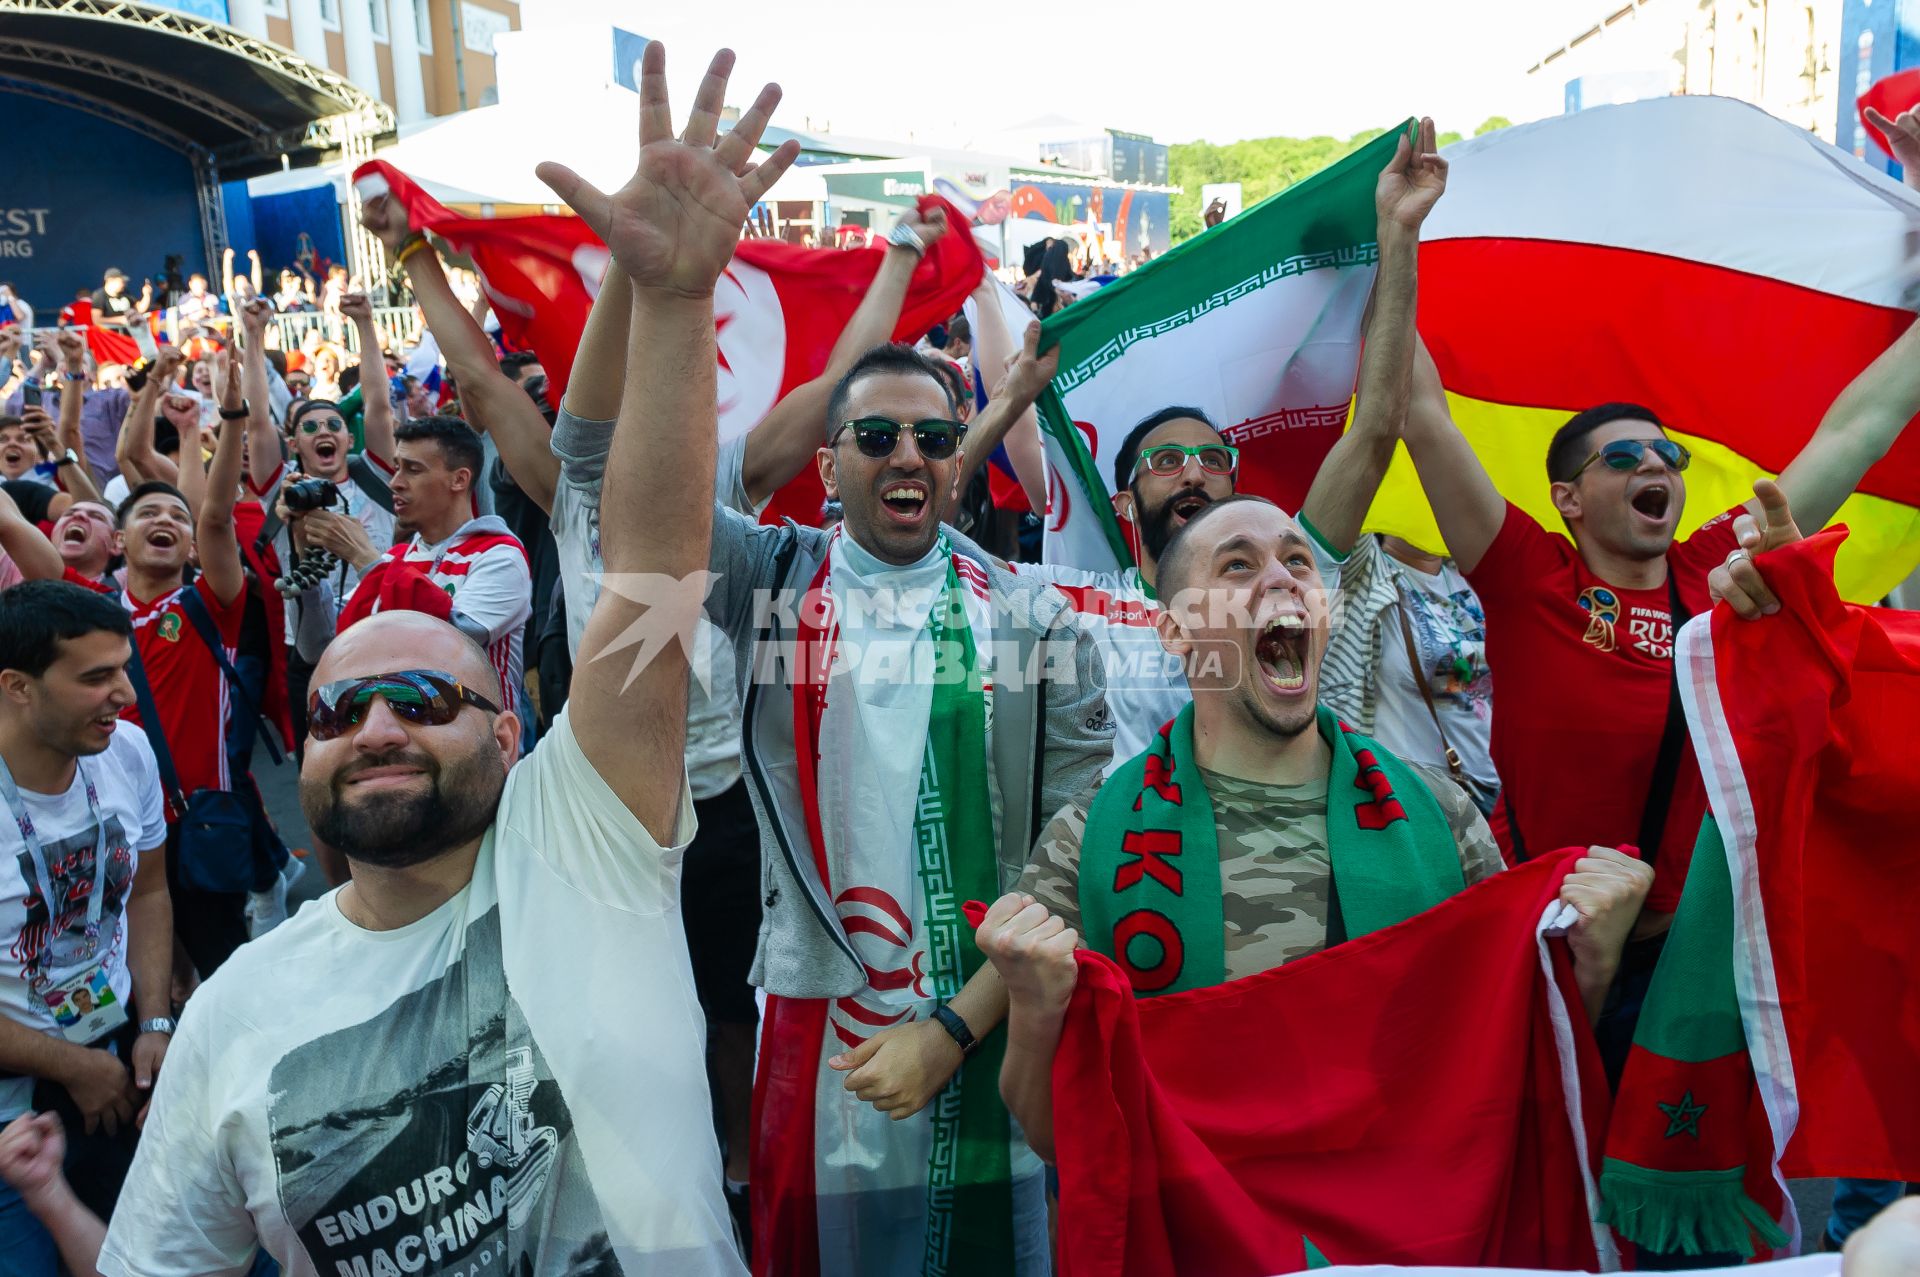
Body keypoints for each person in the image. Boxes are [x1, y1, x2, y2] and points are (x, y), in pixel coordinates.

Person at [95, 42, 798, 1274]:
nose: (375, 726)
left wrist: (678, 306)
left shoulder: (589, 837)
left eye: (425, 698)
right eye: (337, 709)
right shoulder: (235, 1015)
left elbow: (648, 569)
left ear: (514, 729)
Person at [628, 308, 1110, 1269]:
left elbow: (1076, 848)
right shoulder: (768, 579)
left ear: (956, 465)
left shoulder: (1037, 620)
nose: (907, 456)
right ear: (826, 464)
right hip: (826, 1021)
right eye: (876, 436)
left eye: (933, 440)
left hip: (992, 1016)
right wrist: (668, 298)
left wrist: (950, 1029)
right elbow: (635, 496)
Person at [975, 495, 1652, 1161]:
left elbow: (1512, 1066)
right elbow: (1055, 1136)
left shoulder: (1439, 813)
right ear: (1178, 631)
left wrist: (1592, 963)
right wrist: (1035, 1010)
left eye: (1298, 561)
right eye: (1238, 566)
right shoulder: (1088, 838)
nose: (1281, 577)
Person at [1402, 262, 1920, 1071]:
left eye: (1667, 452)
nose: (1658, 465)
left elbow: (1859, 427)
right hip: (1556, 942)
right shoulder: (1528, 575)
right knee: (1554, 1184)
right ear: (1568, 499)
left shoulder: (1719, 570)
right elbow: (1422, 413)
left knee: (1689, 1189)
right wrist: (1391, 243)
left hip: (1695, 956)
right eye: (1625, 457)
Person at [989, 121, 1452, 771]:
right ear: (1125, 502)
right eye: (1166, 461)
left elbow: (1376, 428)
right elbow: (930, 534)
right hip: (1136, 870)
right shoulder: (1076, 602)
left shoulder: (1281, 586)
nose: (1194, 474)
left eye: (1213, 460)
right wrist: (1011, 402)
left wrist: (1398, 237)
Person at [0, 582, 174, 1272]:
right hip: (16, 1122)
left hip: (120, 1057)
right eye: (96, 677)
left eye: (123, 668)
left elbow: (151, 887)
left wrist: (155, 1022)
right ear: (18, 686)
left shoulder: (125, 750)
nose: (126, 695)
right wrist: (69, 1065)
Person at [112, 357, 256, 982]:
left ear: (193, 546)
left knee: (224, 977)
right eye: (147, 514)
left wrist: (228, 419)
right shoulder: (89, 612)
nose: (165, 521)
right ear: (118, 540)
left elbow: (217, 514)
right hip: (113, 823)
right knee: (147, 979)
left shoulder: (209, 605)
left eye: (177, 516)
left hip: (197, 821)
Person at [238, 294, 397, 751]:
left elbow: (378, 404)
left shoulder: (375, 479)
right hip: (311, 650)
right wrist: (253, 335)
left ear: (349, 437)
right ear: (294, 443)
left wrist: (366, 323)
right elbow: (256, 421)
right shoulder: (281, 488)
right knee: (320, 776)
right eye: (310, 428)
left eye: (333, 425)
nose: (323, 432)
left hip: (379, 636)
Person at [295, 414, 532, 702]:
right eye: (396, 468)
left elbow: (452, 643)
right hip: (394, 735)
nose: (395, 482)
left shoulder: (500, 556)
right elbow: (316, 646)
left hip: (478, 741)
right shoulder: (396, 559)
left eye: (413, 470)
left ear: (459, 479)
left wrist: (365, 558)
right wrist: (306, 558)